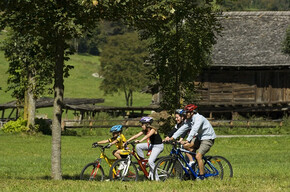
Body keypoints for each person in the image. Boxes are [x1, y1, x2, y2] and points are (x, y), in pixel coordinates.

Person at [165, 104, 216, 180]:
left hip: (207, 138)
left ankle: (201, 177)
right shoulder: (189, 120)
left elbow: (194, 130)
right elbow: (182, 129)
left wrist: (188, 140)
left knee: (198, 156)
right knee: (184, 147)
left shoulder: (199, 118)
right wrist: (172, 137)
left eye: (187, 112)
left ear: (192, 112)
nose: (186, 114)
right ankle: (193, 163)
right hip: (199, 138)